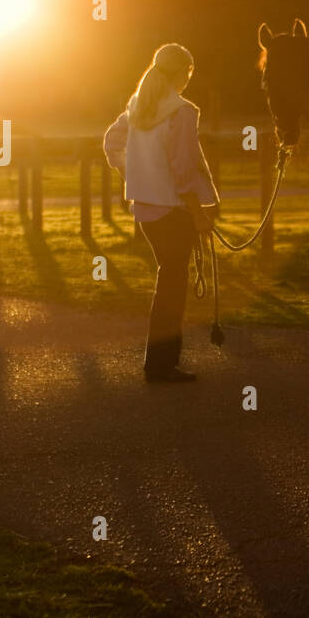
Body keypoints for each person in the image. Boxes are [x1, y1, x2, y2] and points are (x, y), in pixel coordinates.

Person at [102, 43, 219, 383]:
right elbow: (182, 169)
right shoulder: (181, 111)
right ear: (182, 72)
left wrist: (134, 175)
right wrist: (198, 212)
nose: (188, 79)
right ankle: (162, 365)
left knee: (167, 282)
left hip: (146, 211)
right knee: (173, 286)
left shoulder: (139, 106)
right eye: (188, 73)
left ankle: (160, 362)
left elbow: (111, 142)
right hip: (174, 211)